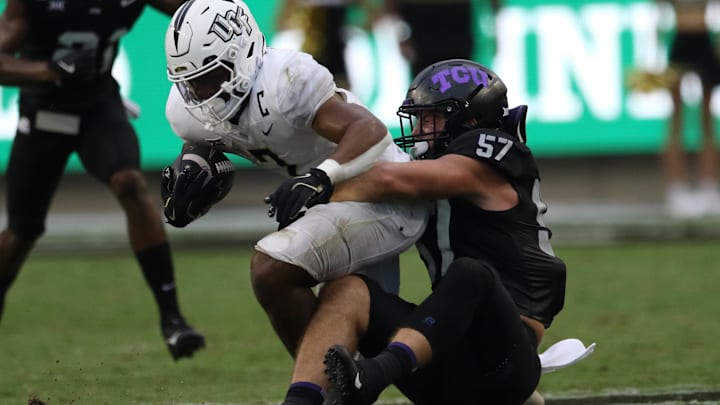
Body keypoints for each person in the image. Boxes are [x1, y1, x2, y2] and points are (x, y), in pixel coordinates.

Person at [277, 59, 566, 405]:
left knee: (473, 273)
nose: (419, 128)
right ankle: (301, 402)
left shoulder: (493, 153)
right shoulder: (438, 160)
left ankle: (372, 377)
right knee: (346, 291)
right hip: (440, 355)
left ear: (471, 120)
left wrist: (321, 181)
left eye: (432, 116)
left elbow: (391, 180)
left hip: (504, 360)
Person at [161, 0, 428, 358]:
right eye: (191, 83)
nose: (202, 94)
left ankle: (324, 385)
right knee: (373, 339)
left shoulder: (285, 79)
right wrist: (191, 173)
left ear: (243, 52)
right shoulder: (185, 111)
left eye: (211, 77)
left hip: (382, 195)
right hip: (335, 204)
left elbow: (369, 130)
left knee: (273, 269)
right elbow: (209, 150)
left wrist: (322, 177)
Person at [0, 0, 207, 361]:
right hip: (45, 111)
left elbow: (195, 10)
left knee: (129, 183)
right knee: (21, 231)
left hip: (98, 105)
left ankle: (172, 318)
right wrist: (46, 70)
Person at [656, 0, 720, 217]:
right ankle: (676, 190)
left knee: (707, 121)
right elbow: (657, 13)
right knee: (676, 121)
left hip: (704, 41)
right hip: (681, 42)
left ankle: (709, 187)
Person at [384, 0, 501, 76]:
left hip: (456, 20)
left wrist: (495, 28)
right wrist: (401, 32)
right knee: (424, 84)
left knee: (461, 78)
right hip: (419, 21)